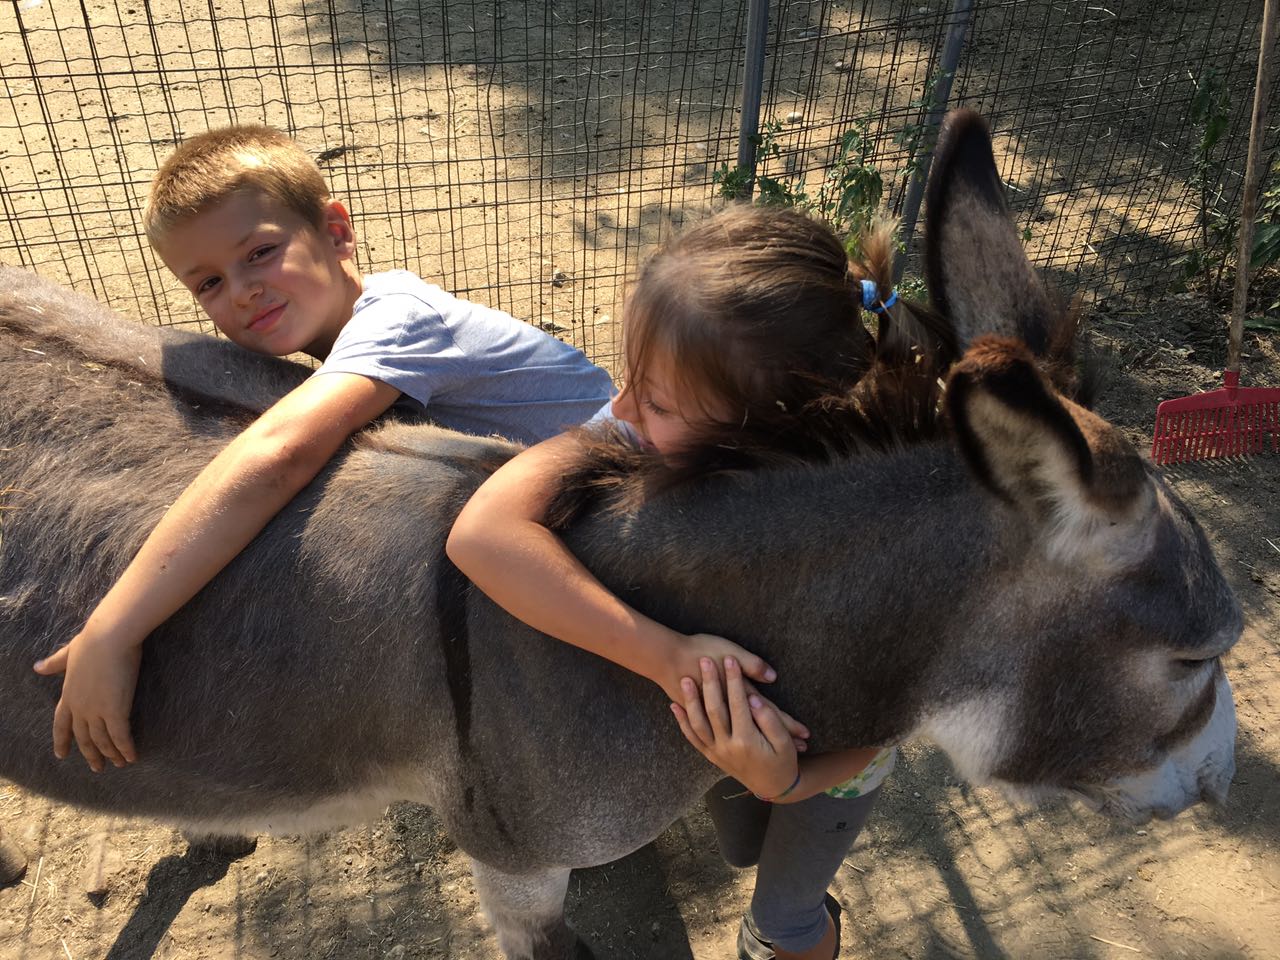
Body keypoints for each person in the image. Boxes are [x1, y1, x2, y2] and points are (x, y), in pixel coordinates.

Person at [34, 125, 613, 773]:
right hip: (561, 502)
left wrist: (112, 631)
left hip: (629, 503)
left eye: (259, 252)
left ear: (336, 231)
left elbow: (279, 456)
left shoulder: (398, 322)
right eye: (208, 284)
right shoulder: (351, 339)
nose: (241, 291)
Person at [447, 205, 924, 960]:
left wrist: (783, 780)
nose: (624, 407)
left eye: (660, 400)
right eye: (634, 376)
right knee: (735, 841)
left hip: (829, 768)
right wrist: (666, 655)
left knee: (782, 917)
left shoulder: (866, 559)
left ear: (766, 435)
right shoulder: (632, 425)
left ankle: (800, 922)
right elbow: (482, 534)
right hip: (733, 719)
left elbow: (878, 735)